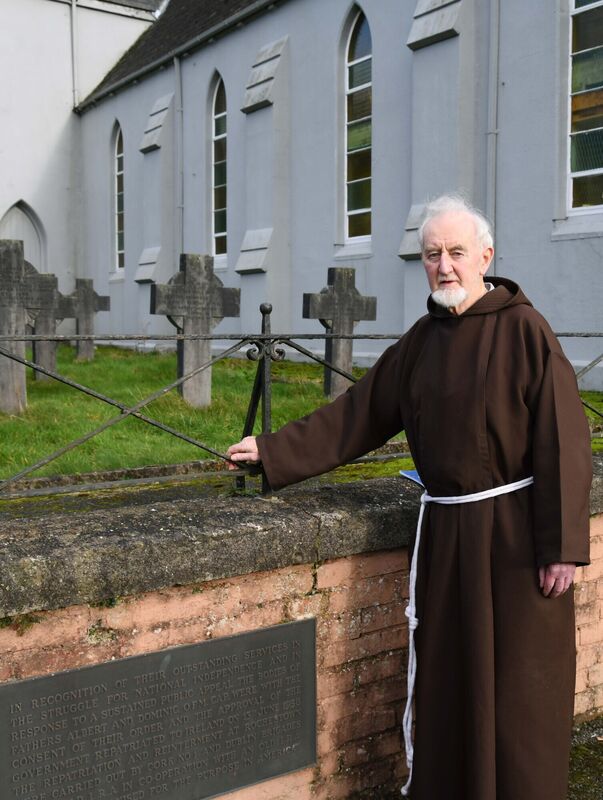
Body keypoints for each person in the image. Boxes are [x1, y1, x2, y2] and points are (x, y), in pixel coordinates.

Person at [227, 194, 592, 800]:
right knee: (452, 689)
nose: (444, 266)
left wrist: (561, 547)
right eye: (431, 255)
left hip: (517, 542)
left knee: (519, 695)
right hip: (449, 541)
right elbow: (357, 416)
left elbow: (565, 439)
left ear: (485, 257)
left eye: (455, 253)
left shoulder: (526, 331)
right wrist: (273, 451)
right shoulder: (421, 343)